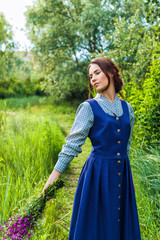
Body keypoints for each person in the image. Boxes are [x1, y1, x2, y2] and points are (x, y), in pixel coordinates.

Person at [42, 57, 141, 240]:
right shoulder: (88, 107)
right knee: (97, 227)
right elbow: (71, 146)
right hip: (97, 175)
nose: (93, 79)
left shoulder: (128, 109)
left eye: (97, 73)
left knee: (120, 225)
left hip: (123, 174)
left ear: (110, 72)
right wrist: (52, 179)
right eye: (90, 76)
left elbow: (125, 147)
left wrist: (131, 179)